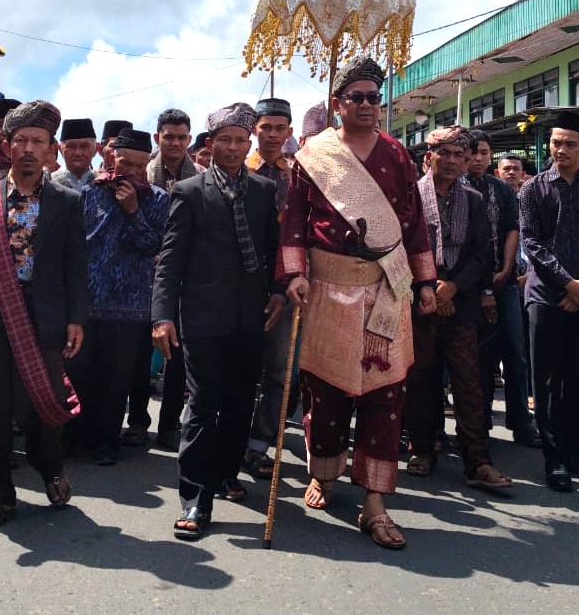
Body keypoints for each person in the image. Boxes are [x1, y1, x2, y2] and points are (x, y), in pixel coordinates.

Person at [279, 56, 437, 550]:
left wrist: (426, 282)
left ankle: (375, 502)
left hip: (388, 285)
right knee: (325, 391)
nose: (368, 105)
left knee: (386, 397)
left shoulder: (397, 154)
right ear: (337, 103)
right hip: (329, 288)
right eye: (357, 97)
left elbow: (414, 223)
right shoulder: (314, 156)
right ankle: (323, 473)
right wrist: (295, 274)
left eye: (374, 98)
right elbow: (294, 221)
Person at [0, 100, 88, 532]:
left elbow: (75, 266)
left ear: (50, 150)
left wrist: (76, 318)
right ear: (7, 146)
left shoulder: (67, 202)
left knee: (42, 406)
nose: (28, 148)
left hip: (45, 321)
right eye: (21, 140)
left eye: (38, 141)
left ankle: (50, 467)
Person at [151, 102, 284, 542]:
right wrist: (162, 316)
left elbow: (272, 250)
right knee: (203, 406)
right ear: (210, 144)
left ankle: (226, 475)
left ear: (249, 144)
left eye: (240, 140)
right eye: (224, 140)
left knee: (241, 403)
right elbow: (170, 260)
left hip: (251, 317)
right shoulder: (189, 191)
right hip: (203, 317)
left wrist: (278, 291)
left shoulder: (264, 189)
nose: (232, 147)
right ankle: (195, 497)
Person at [404, 125, 511, 489]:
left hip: (462, 303)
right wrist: (431, 287)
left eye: (458, 155)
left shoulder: (474, 200)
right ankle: (422, 448)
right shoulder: (410, 198)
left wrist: (452, 287)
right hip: (420, 299)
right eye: (444, 153)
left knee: (468, 382)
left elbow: (483, 253)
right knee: (421, 379)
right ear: (428, 157)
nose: (451, 161)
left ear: (466, 161)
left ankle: (477, 460)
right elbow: (403, 247)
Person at [519, 110, 579, 492]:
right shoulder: (533, 189)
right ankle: (554, 459)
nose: (560, 150)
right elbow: (532, 243)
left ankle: (573, 450)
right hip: (545, 297)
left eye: (569, 144)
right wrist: (566, 284)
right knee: (546, 381)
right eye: (556, 143)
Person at [77, 129, 169, 465]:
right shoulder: (89, 193)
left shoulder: (157, 199)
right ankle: (79, 437)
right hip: (88, 301)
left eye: (139, 165)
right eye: (125, 162)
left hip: (130, 305)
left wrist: (132, 210)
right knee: (83, 373)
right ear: (111, 157)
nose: (131, 171)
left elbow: (151, 246)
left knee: (117, 379)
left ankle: (107, 442)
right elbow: (80, 242)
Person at [130, 108, 203, 450]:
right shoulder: (141, 174)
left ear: (189, 139)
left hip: (183, 277)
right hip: (141, 274)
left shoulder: (202, 177)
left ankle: (170, 424)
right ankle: (137, 421)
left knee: (175, 355)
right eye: (169, 136)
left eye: (182, 137)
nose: (175, 143)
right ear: (157, 137)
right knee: (139, 354)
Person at [467, 130, 539, 448]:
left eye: (484, 152)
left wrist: (507, 268)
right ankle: (479, 423)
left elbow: (512, 229)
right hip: (468, 287)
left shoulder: (501, 189)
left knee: (515, 354)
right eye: (472, 153)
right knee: (477, 358)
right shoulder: (457, 187)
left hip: (504, 283)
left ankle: (521, 423)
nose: (478, 158)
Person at [242, 98, 294, 479]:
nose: (272, 135)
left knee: (280, 370)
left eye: (279, 129)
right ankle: (229, 440)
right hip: (242, 284)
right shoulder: (237, 170)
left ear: (289, 132)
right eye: (266, 128)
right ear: (254, 130)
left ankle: (258, 445)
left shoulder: (300, 176)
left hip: (286, 285)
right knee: (240, 368)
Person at [52, 118, 99, 191]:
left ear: (95, 149)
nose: (77, 153)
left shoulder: (104, 184)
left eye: (84, 146)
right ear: (60, 150)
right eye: (71, 146)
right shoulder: (48, 184)